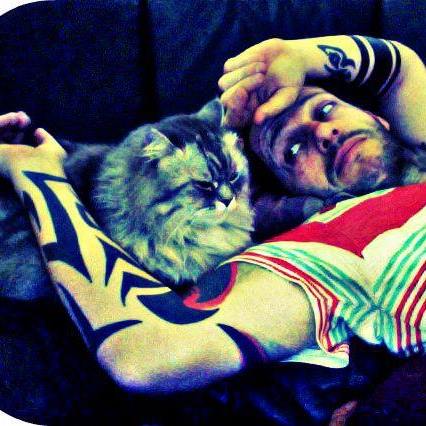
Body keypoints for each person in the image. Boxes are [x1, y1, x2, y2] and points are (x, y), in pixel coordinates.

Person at [0, 35, 424, 394]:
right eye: (293, 150)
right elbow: (149, 353)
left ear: (377, 116)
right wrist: (38, 176)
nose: (324, 133)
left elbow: (400, 67)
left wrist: (298, 55)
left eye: (326, 110)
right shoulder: (328, 242)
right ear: (289, 192)